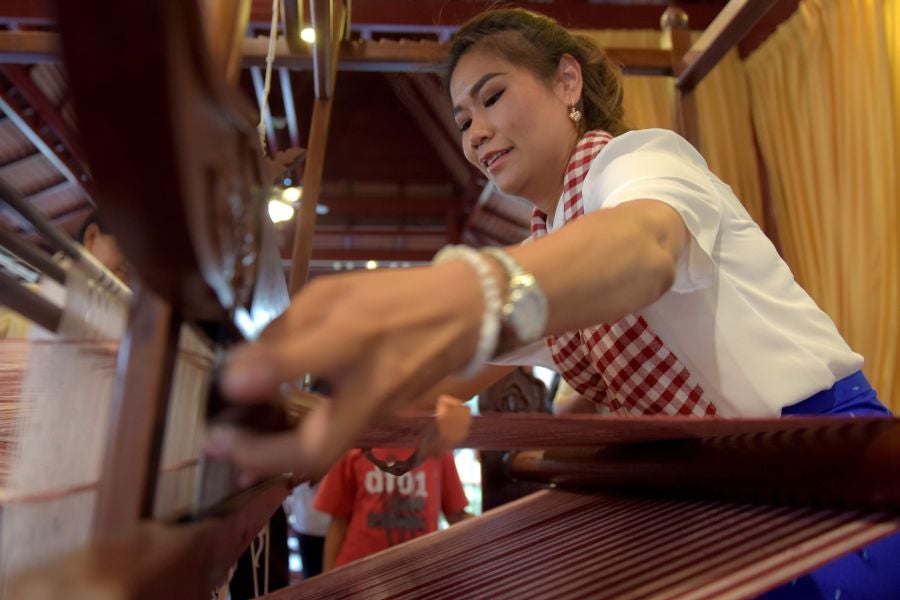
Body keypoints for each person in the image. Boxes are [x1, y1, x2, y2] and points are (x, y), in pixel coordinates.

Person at [206, 8, 897, 597]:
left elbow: (643, 248)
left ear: (567, 81)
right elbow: (454, 369)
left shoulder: (640, 161)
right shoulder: (552, 247)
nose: (475, 131)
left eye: (493, 96)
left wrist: (463, 291)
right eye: (462, 117)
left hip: (829, 474)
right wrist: (316, 417)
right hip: (719, 498)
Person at [313, 448, 471, 571]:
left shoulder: (438, 448)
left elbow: (456, 515)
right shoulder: (357, 442)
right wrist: (328, 583)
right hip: (359, 576)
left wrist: (494, 527)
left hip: (420, 574)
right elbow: (338, 521)